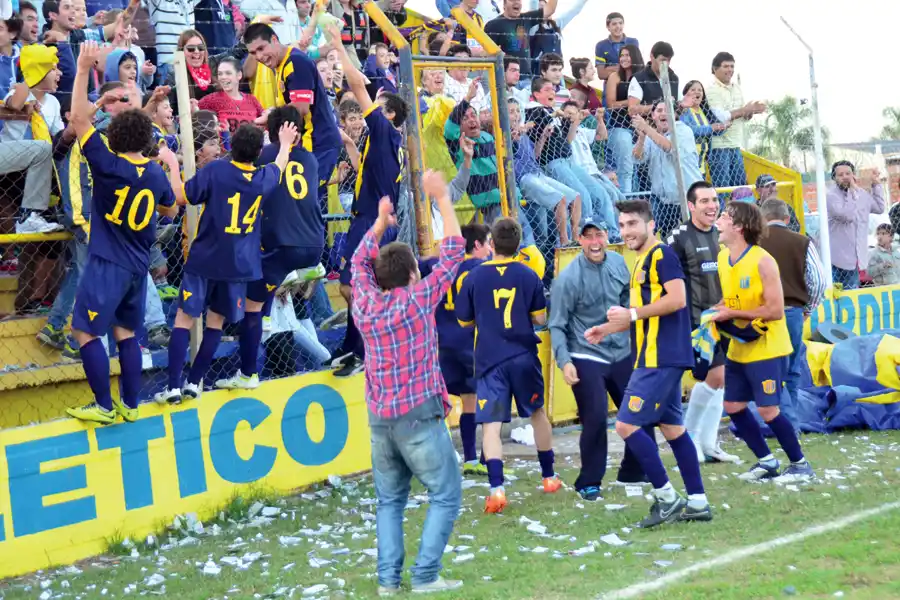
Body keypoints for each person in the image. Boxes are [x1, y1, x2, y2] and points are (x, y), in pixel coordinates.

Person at [352, 175, 465, 595]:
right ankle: (424, 576)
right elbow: (453, 255)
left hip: (380, 415)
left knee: (389, 501)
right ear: (414, 272)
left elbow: (357, 263)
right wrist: (442, 199)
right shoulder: (418, 299)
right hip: (418, 412)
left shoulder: (364, 299)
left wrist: (380, 224)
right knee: (446, 493)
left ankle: (387, 582)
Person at [64, 41, 178, 424]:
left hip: (107, 261)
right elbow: (169, 207)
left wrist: (82, 70)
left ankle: (102, 405)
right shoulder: (155, 170)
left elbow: (79, 120)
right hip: (137, 265)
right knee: (127, 333)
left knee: (85, 332)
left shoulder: (108, 164)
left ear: (113, 137)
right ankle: (130, 405)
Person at [585, 199, 710, 527]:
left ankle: (667, 497)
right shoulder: (643, 259)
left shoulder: (661, 255)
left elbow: (678, 299)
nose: (626, 231)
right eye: (622, 225)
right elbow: (647, 314)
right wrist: (611, 326)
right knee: (672, 429)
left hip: (659, 358)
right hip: (655, 356)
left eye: (632, 224)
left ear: (650, 225)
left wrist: (633, 314)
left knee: (627, 425)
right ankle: (697, 501)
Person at [153, 122, 295, 404]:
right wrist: (286, 143)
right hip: (238, 267)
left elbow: (180, 197)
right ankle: (194, 383)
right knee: (214, 325)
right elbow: (279, 165)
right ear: (257, 154)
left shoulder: (217, 170)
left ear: (230, 147)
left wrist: (170, 163)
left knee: (184, 320)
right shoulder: (262, 177)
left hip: (205, 260)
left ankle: (172, 387)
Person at [456, 217, 562, 514]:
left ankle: (497, 489)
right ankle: (549, 476)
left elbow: (465, 321)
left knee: (491, 425)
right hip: (523, 355)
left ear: (491, 243)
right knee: (537, 414)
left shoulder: (473, 277)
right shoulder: (528, 275)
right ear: (518, 246)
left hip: (490, 359)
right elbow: (540, 319)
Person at [214, 106, 323, 391]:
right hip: (313, 246)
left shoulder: (264, 157)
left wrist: (256, 126)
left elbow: (238, 159)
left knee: (253, 309)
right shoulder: (310, 160)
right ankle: (283, 290)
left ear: (271, 133)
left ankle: (248, 372)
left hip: (281, 248)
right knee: (279, 290)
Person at [326, 22, 409, 378]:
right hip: (371, 218)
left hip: (372, 223)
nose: (370, 106)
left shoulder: (383, 129)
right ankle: (351, 345)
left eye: (377, 105)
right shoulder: (384, 142)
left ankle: (365, 350)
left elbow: (357, 84)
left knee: (351, 286)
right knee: (353, 287)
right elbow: (370, 173)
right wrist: (348, 144)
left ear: (387, 114)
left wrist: (336, 44)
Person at [713, 201, 815, 483]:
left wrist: (731, 313)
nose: (718, 221)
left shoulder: (763, 260)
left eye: (724, 216)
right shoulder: (723, 257)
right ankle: (767, 461)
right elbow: (730, 299)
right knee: (733, 406)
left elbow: (775, 310)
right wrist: (714, 311)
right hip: (738, 346)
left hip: (767, 347)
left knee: (769, 409)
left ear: (739, 226)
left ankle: (800, 464)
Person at [550, 218, 650, 501]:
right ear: (579, 241)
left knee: (637, 410)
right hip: (586, 352)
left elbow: (629, 306)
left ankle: (633, 470)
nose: (595, 242)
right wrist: (565, 361)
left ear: (607, 237)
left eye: (600, 235)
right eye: (588, 237)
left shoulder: (619, 264)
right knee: (594, 417)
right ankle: (589, 481)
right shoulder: (568, 278)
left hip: (620, 349)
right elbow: (557, 324)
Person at [667, 181, 738, 463]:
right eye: (705, 201)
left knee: (722, 380)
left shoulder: (723, 234)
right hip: (696, 322)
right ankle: (691, 438)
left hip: (724, 317)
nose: (712, 206)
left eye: (714, 200)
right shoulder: (679, 237)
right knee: (716, 376)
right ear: (692, 206)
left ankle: (709, 444)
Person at [419, 223, 492, 476]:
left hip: (444, 344)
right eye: (488, 243)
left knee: (462, 401)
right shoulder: (484, 269)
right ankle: (485, 459)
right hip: (474, 344)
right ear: (477, 245)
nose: (491, 249)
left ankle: (468, 459)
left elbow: (420, 264)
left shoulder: (440, 268)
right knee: (488, 399)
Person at [244, 22, 342, 207]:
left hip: (318, 144)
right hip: (308, 144)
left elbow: (300, 108)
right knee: (299, 206)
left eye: (261, 48)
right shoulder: (282, 64)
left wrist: (270, 117)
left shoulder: (295, 62)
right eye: (253, 53)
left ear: (274, 39)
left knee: (305, 208)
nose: (259, 56)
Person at [759, 198, 825, 432]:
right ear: (787, 219)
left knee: (765, 368)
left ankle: (769, 421)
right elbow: (818, 281)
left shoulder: (753, 243)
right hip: (792, 311)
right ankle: (790, 422)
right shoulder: (803, 242)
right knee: (792, 369)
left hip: (760, 314)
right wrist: (807, 308)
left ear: (762, 218)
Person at [631, 99, 703, 238]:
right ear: (653, 116)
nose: (663, 113)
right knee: (667, 240)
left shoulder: (682, 130)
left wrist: (646, 128)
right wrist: (641, 138)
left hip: (688, 196)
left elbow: (669, 147)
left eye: (667, 110)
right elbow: (637, 158)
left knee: (694, 238)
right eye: (659, 111)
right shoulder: (651, 134)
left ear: (675, 114)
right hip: (663, 200)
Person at [705, 52, 766, 190]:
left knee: (741, 189)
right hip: (719, 147)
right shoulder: (711, 90)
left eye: (732, 66)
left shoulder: (737, 88)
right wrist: (745, 110)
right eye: (725, 66)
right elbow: (721, 116)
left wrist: (752, 111)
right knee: (723, 190)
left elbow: (742, 116)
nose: (730, 70)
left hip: (735, 145)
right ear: (715, 69)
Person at [826, 161, 886, 290]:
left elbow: (880, 208)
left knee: (852, 299)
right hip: (838, 260)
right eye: (840, 175)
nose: (845, 177)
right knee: (837, 299)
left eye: (848, 173)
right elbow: (847, 216)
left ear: (853, 175)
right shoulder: (831, 196)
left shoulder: (861, 194)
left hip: (857, 259)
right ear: (834, 178)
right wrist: (852, 193)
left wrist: (876, 184)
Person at [483, 0, 558, 79]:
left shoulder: (526, 18)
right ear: (504, 4)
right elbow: (486, 54)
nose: (516, 2)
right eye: (512, 0)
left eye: (519, 0)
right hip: (506, 81)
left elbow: (550, 9)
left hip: (526, 79)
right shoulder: (493, 25)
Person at [198, 57, 266, 134]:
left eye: (228, 73)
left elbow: (265, 121)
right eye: (220, 74)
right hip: (225, 145)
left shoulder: (252, 99)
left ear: (239, 75)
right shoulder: (211, 99)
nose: (223, 77)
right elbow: (194, 116)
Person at [593, 11, 639, 81]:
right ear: (608, 27)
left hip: (630, 85)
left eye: (620, 23)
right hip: (610, 87)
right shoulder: (601, 46)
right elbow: (601, 74)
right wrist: (624, 67)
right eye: (614, 24)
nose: (618, 26)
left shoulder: (633, 42)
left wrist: (610, 68)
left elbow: (636, 67)